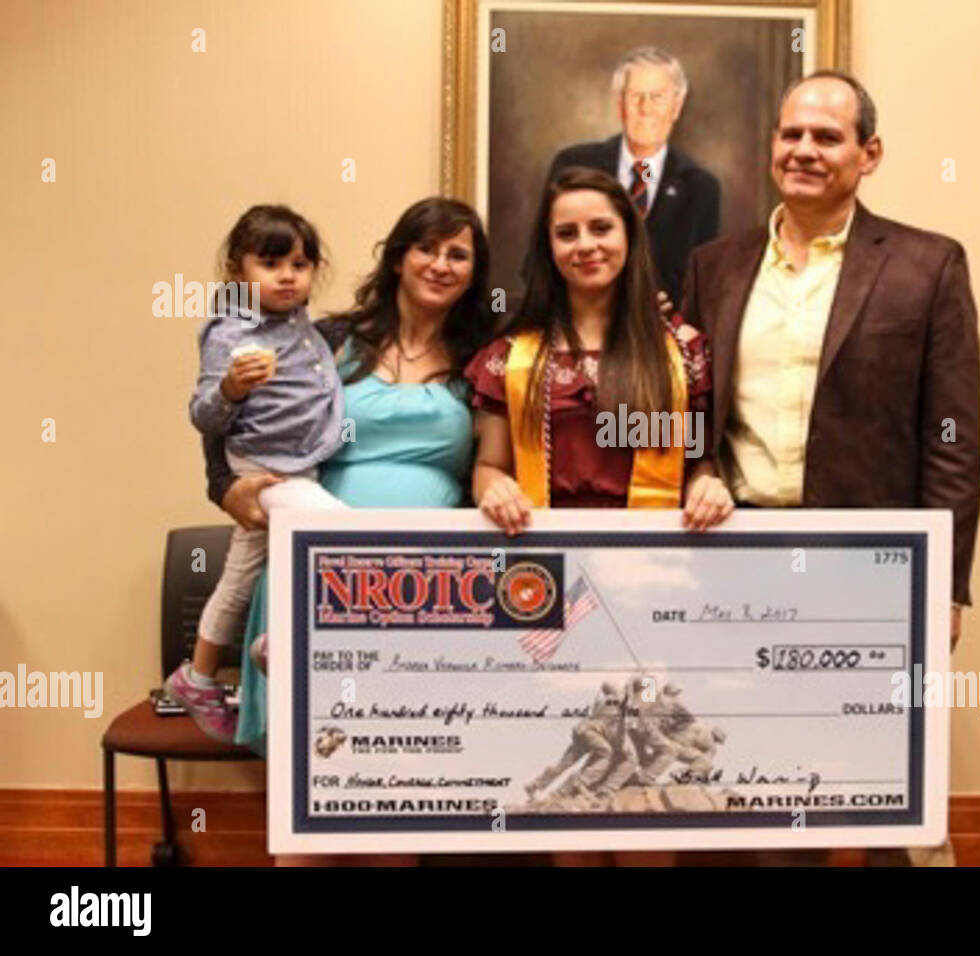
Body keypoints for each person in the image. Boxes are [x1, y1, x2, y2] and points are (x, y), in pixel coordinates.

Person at [682, 70, 980, 868]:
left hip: (873, 563)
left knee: (887, 786)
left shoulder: (928, 264)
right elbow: (687, 407)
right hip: (739, 561)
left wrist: (946, 582)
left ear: (868, 153)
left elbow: (953, 438)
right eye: (791, 134)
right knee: (759, 776)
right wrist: (699, 470)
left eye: (827, 136)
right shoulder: (714, 265)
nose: (805, 150)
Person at [203, 197, 495, 865]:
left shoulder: (486, 357)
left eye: (458, 254)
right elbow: (228, 422)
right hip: (308, 584)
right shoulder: (322, 338)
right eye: (427, 248)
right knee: (309, 814)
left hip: (421, 597)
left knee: (395, 809)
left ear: (476, 273)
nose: (440, 264)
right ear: (398, 256)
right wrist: (228, 488)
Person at [468, 166, 733, 866]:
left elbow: (701, 460)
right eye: (566, 232)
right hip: (555, 590)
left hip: (656, 583)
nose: (585, 244)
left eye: (600, 228)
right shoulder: (514, 353)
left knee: (647, 783)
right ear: (548, 247)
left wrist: (710, 485)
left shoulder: (682, 349)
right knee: (577, 779)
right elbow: (490, 464)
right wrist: (490, 487)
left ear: (629, 236)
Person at [169, 205, 346, 743]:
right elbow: (202, 414)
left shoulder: (301, 325)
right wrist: (231, 390)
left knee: (241, 573)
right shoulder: (231, 334)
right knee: (342, 533)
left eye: (301, 263)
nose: (289, 275)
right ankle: (283, 638)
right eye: (271, 263)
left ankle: (197, 678)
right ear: (237, 271)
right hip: (267, 472)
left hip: (297, 465)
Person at [545, 47, 720, 307]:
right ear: (619, 104)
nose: (645, 108)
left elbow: (704, 284)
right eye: (636, 96)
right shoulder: (573, 165)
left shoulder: (701, 188)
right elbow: (540, 261)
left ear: (677, 106)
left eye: (658, 97)